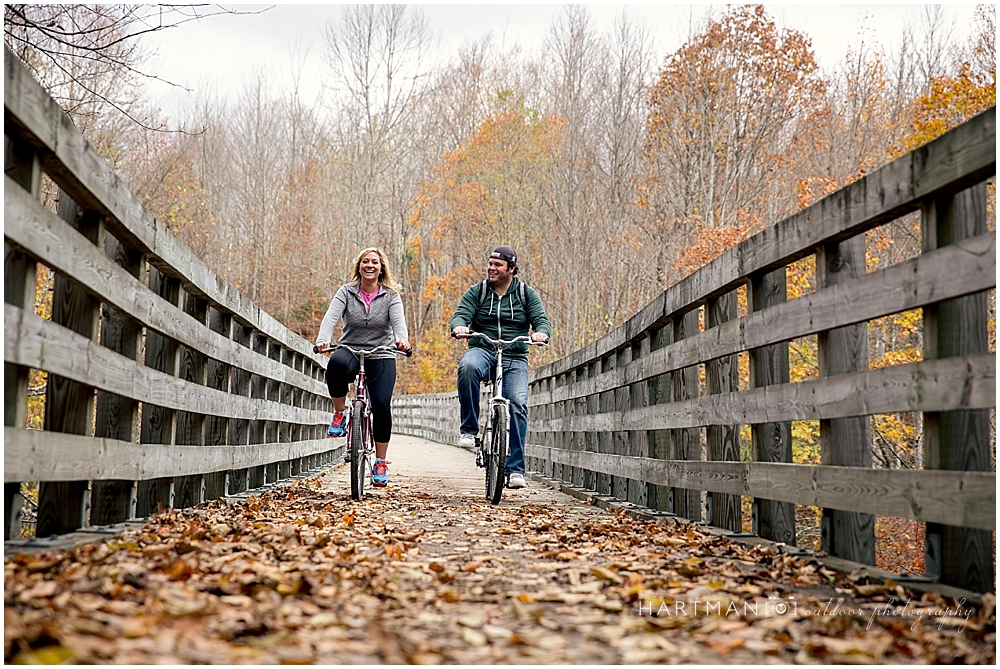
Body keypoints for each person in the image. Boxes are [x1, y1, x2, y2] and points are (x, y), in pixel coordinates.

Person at [450, 245, 551, 489]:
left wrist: (540, 333)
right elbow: (461, 314)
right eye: (490, 264)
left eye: (498, 265)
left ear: (512, 269)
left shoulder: (526, 294)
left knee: (517, 403)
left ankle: (516, 469)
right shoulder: (479, 292)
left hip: (514, 355)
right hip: (483, 349)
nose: (491, 268)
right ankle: (469, 431)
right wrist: (460, 327)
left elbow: (541, 321)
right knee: (468, 368)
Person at [316, 247, 411, 488]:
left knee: (381, 405)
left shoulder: (391, 296)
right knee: (335, 365)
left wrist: (402, 339)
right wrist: (323, 339)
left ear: (381, 268)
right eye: (365, 262)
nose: (370, 265)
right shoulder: (346, 292)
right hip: (350, 348)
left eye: (375, 262)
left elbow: (399, 323)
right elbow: (330, 317)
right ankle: (340, 413)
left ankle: (380, 461)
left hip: (381, 353)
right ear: (359, 266)